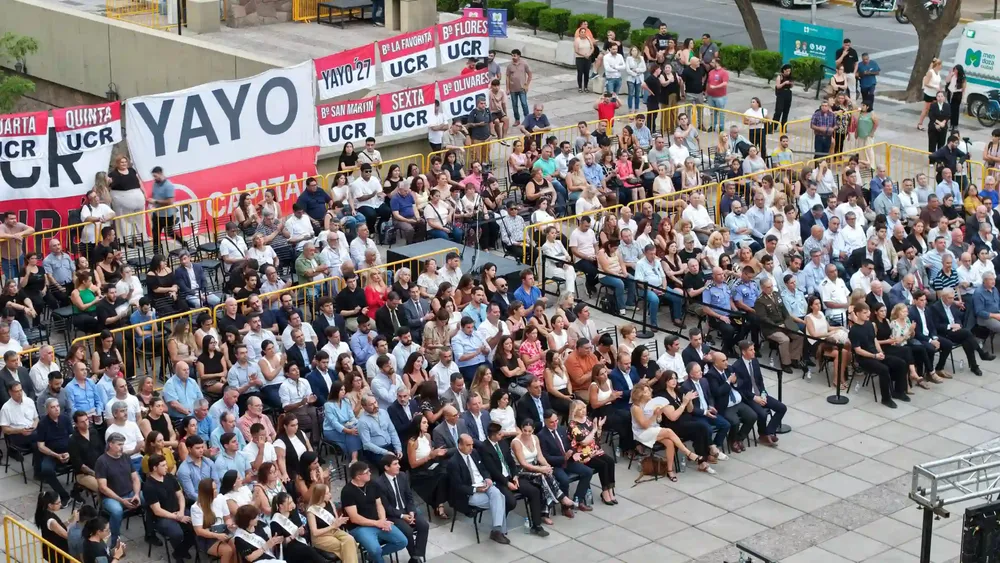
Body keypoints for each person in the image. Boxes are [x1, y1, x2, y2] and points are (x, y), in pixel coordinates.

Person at [630, 380, 703, 481]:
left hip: (654, 428)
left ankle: (669, 470)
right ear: (640, 394)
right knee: (668, 431)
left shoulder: (651, 401)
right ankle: (689, 453)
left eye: (648, 391)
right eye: (646, 392)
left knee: (669, 442)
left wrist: (658, 414)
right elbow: (644, 425)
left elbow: (658, 420)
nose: (649, 393)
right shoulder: (636, 407)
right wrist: (655, 414)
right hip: (642, 432)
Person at [449, 434, 514, 544]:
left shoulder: (474, 453)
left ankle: (497, 531)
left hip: (484, 484)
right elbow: (457, 486)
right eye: (467, 445)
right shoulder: (453, 462)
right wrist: (476, 490)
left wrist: (487, 478)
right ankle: (497, 531)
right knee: (501, 499)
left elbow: (483, 469)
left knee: (497, 494)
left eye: (472, 445)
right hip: (470, 493)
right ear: (459, 445)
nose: (471, 447)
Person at [849, 304, 910, 408]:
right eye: (864, 312)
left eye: (868, 311)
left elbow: (874, 339)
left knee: (901, 363)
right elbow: (858, 350)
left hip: (876, 354)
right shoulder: (854, 330)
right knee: (884, 369)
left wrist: (881, 352)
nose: (868, 314)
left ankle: (898, 391)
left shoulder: (869, 325)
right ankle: (886, 399)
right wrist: (874, 356)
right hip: (865, 359)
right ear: (857, 314)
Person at [732, 341, 787, 445]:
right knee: (762, 414)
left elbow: (759, 380)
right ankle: (762, 435)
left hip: (759, 394)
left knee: (782, 408)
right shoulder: (737, 366)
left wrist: (763, 394)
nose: (754, 352)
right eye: (751, 350)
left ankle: (768, 432)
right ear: (743, 352)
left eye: (754, 349)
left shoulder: (755, 361)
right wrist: (754, 397)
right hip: (748, 397)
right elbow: (740, 389)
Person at [144, 453, 196, 561]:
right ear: (154, 468)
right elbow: (157, 510)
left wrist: (181, 512)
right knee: (177, 533)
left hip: (178, 511)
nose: (167, 467)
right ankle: (180, 555)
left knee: (197, 524)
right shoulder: (149, 486)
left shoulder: (169, 477)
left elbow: (180, 495)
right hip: (162, 518)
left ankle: (179, 551)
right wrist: (177, 517)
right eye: (163, 465)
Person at [96, 433, 143, 548]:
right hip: (111, 498)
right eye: (119, 444)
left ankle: (151, 532)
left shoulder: (126, 457)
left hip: (130, 493)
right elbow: (103, 487)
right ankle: (114, 540)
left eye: (123, 444)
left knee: (150, 499)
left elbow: (135, 478)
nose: (122, 447)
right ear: (110, 444)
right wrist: (121, 500)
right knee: (117, 511)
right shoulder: (102, 461)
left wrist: (136, 494)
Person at [566, 400, 617, 504]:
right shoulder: (573, 425)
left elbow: (596, 438)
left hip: (594, 450)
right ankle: (605, 492)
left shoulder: (588, 420)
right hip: (583, 454)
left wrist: (599, 427)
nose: (583, 411)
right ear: (574, 411)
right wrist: (594, 429)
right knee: (603, 465)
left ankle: (610, 490)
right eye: (579, 409)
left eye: (584, 408)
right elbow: (584, 442)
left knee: (610, 461)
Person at [302, 483, 359, 563]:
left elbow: (335, 520)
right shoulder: (311, 511)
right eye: (327, 493)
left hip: (334, 531)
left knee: (350, 540)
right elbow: (315, 532)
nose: (330, 494)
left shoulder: (330, 503)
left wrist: (339, 521)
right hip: (320, 537)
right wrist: (332, 526)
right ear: (321, 496)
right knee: (347, 546)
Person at [190, 479, 235, 563]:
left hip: (222, 532)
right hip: (207, 538)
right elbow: (199, 531)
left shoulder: (220, 499)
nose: (216, 491)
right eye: (213, 489)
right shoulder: (196, 508)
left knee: (236, 545)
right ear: (207, 492)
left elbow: (227, 518)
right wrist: (217, 536)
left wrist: (229, 523)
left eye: (216, 488)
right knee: (227, 551)